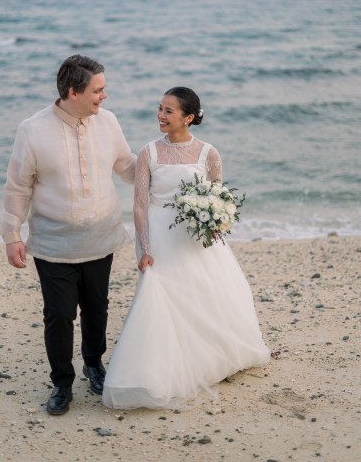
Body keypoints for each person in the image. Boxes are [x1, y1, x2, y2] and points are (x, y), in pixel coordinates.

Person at [102, 87, 270, 409]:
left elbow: (219, 200)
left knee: (203, 293)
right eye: (160, 108)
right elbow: (139, 205)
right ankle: (155, 369)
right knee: (159, 296)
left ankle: (208, 358)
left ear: (188, 118)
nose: (160, 116)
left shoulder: (209, 153)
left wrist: (211, 227)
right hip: (158, 235)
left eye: (169, 111)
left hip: (194, 236)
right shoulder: (148, 153)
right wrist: (146, 248)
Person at [0, 54, 136, 415]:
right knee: (59, 314)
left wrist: (169, 168)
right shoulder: (32, 129)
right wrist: (12, 235)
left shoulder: (108, 122)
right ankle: (62, 382)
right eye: (98, 90)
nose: (104, 96)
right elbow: (17, 187)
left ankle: (94, 364)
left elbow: (128, 166)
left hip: (101, 238)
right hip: (53, 244)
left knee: (97, 308)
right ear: (73, 92)